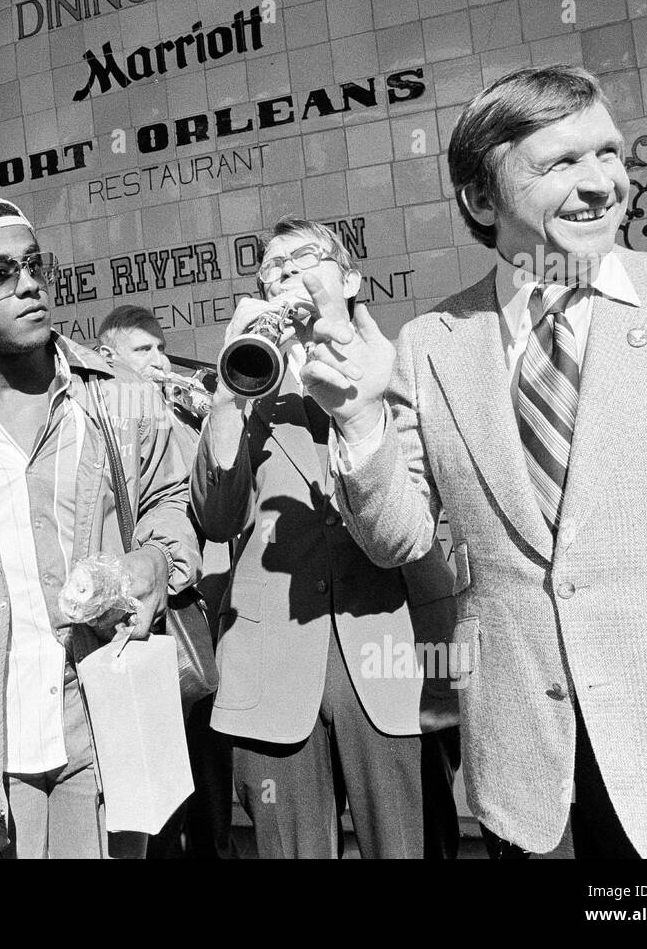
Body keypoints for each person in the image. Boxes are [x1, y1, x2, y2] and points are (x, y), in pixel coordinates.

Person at [305, 65, 647, 858]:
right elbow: (398, 539)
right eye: (560, 164)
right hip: (525, 769)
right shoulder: (431, 344)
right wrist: (358, 417)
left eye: (609, 154)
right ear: (480, 202)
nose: (602, 185)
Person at [0, 193, 200, 858]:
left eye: (33, 264)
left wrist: (155, 565)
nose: (28, 285)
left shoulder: (112, 392)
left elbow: (171, 499)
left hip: (101, 731)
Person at [192, 216, 460, 859]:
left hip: (393, 646)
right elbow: (217, 519)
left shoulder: (399, 367)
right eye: (269, 274)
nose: (281, 278)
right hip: (273, 659)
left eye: (299, 263)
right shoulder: (249, 387)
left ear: (350, 278)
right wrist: (228, 399)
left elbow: (414, 522)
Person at [98, 303, 233, 859]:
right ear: (108, 358)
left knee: (207, 776)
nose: (159, 360)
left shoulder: (181, 409)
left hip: (199, 604)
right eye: (143, 351)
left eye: (161, 348)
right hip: (149, 616)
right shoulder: (116, 409)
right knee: (155, 791)